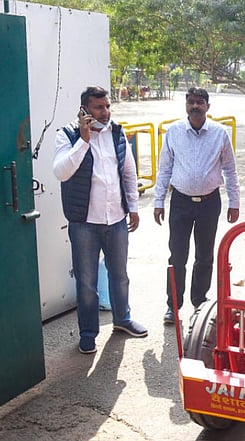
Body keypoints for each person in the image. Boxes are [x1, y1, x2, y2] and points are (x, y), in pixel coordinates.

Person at [53, 85, 147, 354]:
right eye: (98, 107)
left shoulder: (116, 131)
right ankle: (88, 333)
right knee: (86, 282)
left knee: (120, 276)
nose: (105, 112)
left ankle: (123, 320)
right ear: (84, 110)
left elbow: (128, 172)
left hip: (116, 219)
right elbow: (61, 172)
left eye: (107, 106)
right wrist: (84, 140)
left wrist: (133, 207)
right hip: (84, 223)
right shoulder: (67, 135)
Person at [154, 87, 240, 324]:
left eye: (200, 102)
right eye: (191, 102)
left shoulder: (220, 134)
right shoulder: (173, 132)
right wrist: (158, 201)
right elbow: (165, 169)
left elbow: (230, 170)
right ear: (186, 105)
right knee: (177, 256)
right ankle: (173, 306)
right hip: (180, 203)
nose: (195, 106)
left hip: (209, 203)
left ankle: (199, 302)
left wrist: (235, 202)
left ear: (208, 106)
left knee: (205, 256)